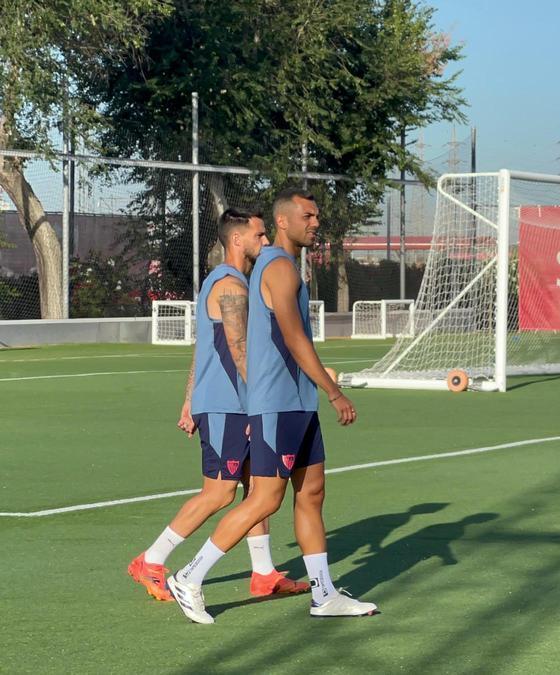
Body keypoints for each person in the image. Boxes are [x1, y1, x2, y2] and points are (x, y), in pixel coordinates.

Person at [168, 188, 376, 624]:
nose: (316, 222)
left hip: (297, 402)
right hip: (278, 405)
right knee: (264, 500)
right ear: (285, 221)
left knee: (312, 493)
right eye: (308, 215)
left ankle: (324, 594)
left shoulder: (282, 267)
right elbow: (294, 337)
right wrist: (333, 391)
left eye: (317, 214)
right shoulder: (279, 269)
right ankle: (189, 575)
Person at [128, 208, 307, 602]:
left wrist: (189, 400)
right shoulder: (231, 286)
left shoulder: (233, 282)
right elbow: (241, 353)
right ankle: (151, 560)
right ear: (238, 240)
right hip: (231, 405)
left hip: (228, 402)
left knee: (257, 486)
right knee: (221, 492)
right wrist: (260, 404)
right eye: (260, 235)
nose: (265, 242)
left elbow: (205, 349)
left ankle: (263, 574)